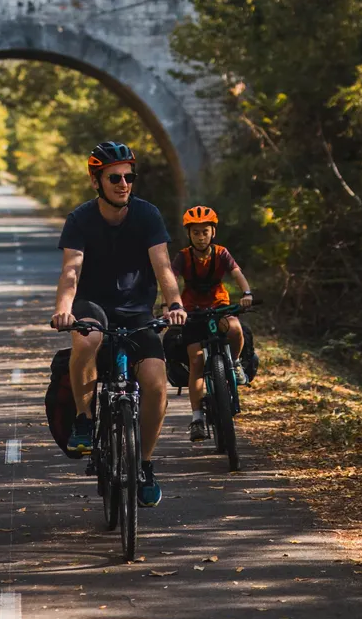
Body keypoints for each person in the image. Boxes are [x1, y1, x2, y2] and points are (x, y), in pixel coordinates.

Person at [50, 141, 187, 507]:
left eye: (129, 177)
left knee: (156, 383)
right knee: (86, 341)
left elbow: (163, 267)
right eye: (114, 178)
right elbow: (70, 271)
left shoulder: (147, 215)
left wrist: (173, 303)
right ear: (97, 182)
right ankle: (83, 418)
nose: (124, 183)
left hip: (138, 310)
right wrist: (64, 308)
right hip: (94, 305)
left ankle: (144, 465)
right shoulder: (80, 219)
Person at [173, 206, 254, 441]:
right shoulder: (183, 256)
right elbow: (172, 279)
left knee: (236, 328)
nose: (201, 237)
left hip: (219, 305)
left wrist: (246, 293)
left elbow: (236, 272)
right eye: (196, 232)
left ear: (213, 232)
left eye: (205, 232)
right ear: (189, 234)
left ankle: (236, 364)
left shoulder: (221, 253)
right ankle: (197, 418)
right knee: (196, 359)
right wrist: (172, 304)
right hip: (191, 311)